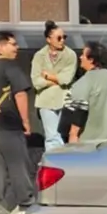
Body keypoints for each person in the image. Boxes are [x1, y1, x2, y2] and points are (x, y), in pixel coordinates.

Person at [0, 31, 33, 211]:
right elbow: (20, 93)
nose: (17, 48)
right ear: (1, 46)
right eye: (13, 44)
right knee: (19, 166)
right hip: (10, 125)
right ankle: (26, 204)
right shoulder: (9, 65)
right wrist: (25, 121)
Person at [30, 20, 77, 150]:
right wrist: (57, 80)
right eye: (59, 37)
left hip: (64, 99)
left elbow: (67, 79)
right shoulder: (39, 55)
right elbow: (36, 82)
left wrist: (47, 76)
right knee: (51, 136)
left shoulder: (70, 54)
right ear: (48, 39)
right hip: (45, 100)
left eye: (64, 37)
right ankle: (54, 162)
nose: (62, 40)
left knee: (63, 134)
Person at [65, 42, 107, 144]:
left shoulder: (86, 80)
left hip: (87, 141)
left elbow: (79, 110)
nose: (80, 57)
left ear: (91, 59)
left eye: (83, 55)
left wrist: (73, 134)